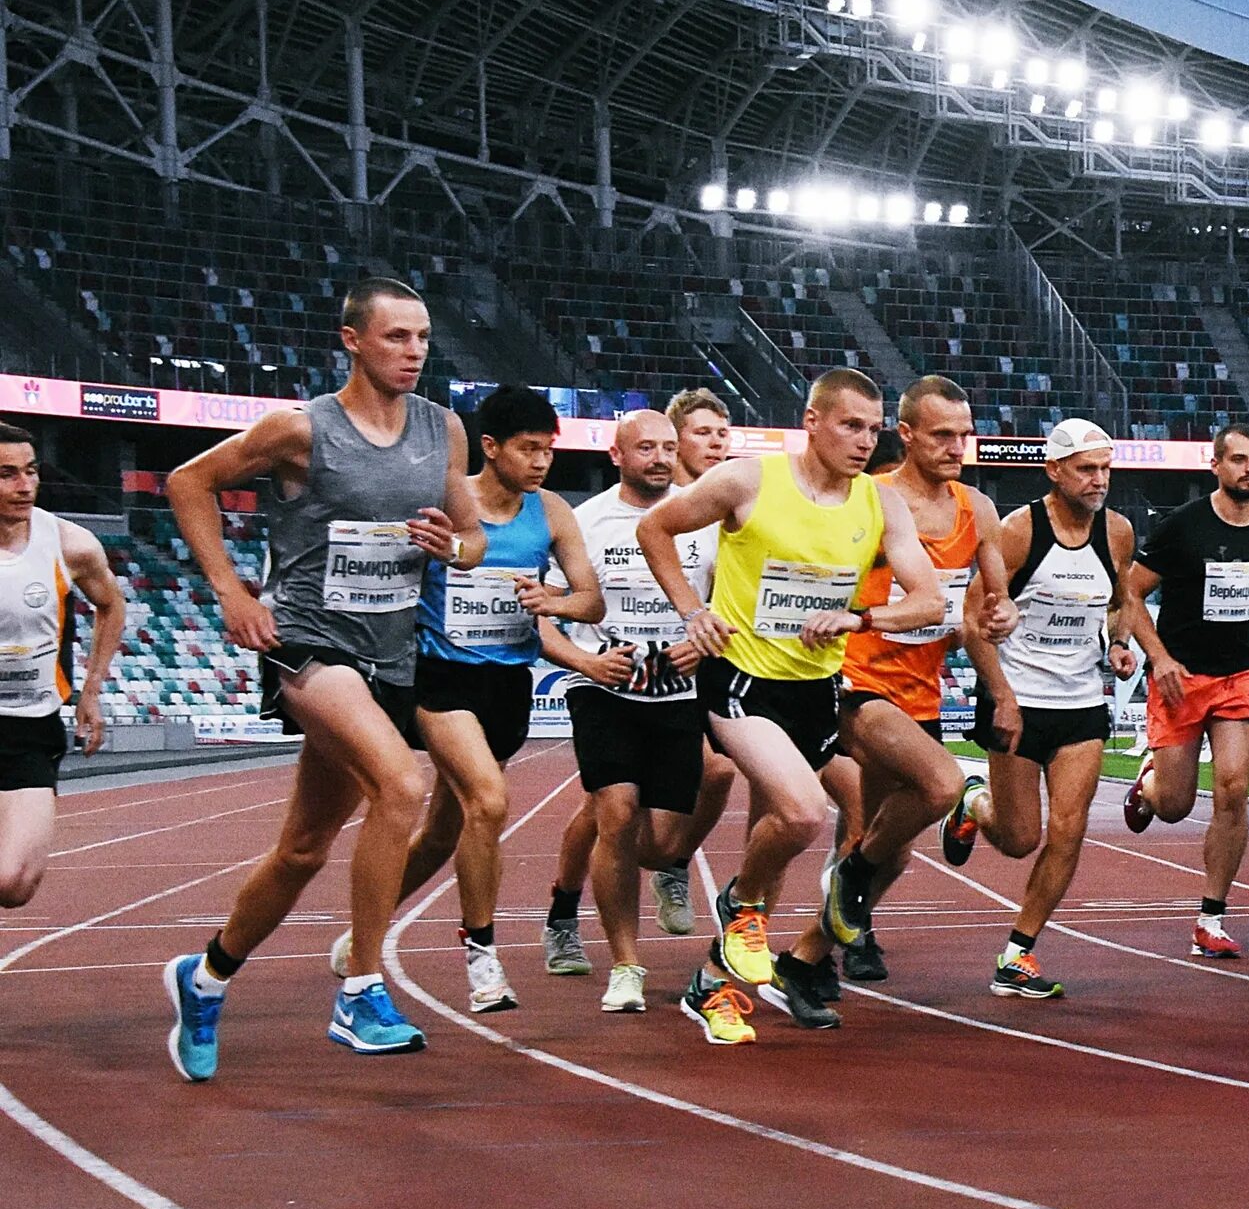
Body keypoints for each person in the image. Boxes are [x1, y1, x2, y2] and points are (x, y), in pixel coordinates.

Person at [163, 276, 486, 1076]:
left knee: (304, 849)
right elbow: (187, 482)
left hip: (390, 653)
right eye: (395, 337)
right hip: (305, 642)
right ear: (352, 340)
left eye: (421, 338)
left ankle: (204, 978)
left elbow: (475, 536)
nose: (413, 352)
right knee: (401, 785)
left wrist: (454, 547)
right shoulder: (301, 430)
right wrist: (234, 592)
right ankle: (362, 989)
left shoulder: (442, 430)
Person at [633, 368, 947, 1045]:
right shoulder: (749, 481)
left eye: (872, 428)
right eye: (849, 424)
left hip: (818, 694)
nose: (864, 441)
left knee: (809, 821)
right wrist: (692, 613)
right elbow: (656, 529)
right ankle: (739, 905)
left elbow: (929, 600)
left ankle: (732, 976)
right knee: (805, 810)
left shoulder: (878, 504)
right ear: (812, 420)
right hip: (740, 681)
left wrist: (860, 616)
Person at [766, 378, 1012, 1024]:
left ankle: (802, 960)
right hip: (856, 681)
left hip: (921, 690)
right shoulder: (870, 499)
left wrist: (1001, 614)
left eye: (965, 434)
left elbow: (987, 600)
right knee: (940, 784)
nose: (958, 447)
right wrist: (857, 617)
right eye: (942, 435)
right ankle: (832, 896)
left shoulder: (976, 509)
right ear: (906, 435)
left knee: (884, 848)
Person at [359, 386, 600, 1014]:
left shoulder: (549, 512)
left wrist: (556, 603)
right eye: (528, 450)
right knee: (489, 803)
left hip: (508, 689)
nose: (542, 462)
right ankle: (483, 957)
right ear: (489, 448)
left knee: (443, 833)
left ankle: (364, 931)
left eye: (548, 450)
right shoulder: (447, 500)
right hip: (441, 681)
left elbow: (589, 601)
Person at [543, 387, 738, 963]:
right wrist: (585, 662)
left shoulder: (704, 518)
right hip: (606, 683)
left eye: (666, 447)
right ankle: (570, 920)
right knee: (613, 806)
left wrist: (702, 646)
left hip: (681, 681)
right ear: (619, 454)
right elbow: (548, 611)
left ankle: (671, 865)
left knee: (705, 785)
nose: (659, 456)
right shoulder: (586, 522)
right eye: (646, 447)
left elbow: (729, 601)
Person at [1117, 421, 1249, 960]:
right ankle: (1150, 786)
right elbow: (1130, 592)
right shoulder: (1182, 526)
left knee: (1232, 789)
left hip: (1240, 678)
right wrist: (1159, 658)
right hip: (1181, 678)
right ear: (1217, 466)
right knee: (1175, 806)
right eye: (1240, 459)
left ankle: (1211, 916)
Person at [963, 418, 1137, 1000]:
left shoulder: (1117, 533)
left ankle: (1018, 952)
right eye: (1087, 469)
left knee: (1069, 829)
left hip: (1082, 704)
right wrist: (1002, 697)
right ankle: (972, 802)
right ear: (1054, 471)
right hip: (1019, 701)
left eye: (1105, 468)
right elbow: (973, 620)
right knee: (1018, 838)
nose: (1099, 480)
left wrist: (1117, 642)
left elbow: (1121, 602)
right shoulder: (1018, 532)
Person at [0, 422, 127, 907]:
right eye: (7, 474)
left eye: (31, 471)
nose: (25, 485)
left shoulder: (69, 543)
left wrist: (90, 691)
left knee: (14, 884)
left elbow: (111, 606)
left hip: (30, 727)